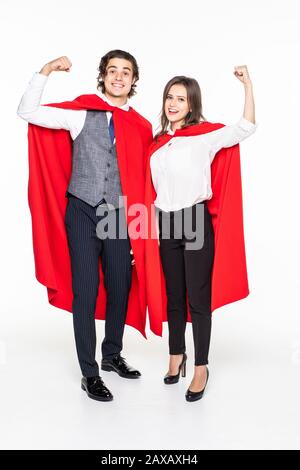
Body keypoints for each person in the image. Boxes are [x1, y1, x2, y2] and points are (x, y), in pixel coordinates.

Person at [17, 51, 153, 402]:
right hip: (82, 209)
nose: (119, 77)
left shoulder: (141, 126)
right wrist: (45, 69)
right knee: (87, 290)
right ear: (103, 76)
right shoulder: (81, 114)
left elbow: (143, 181)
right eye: (113, 71)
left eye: (126, 72)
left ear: (134, 80)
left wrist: (142, 234)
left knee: (121, 286)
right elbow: (27, 112)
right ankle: (89, 373)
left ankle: (111, 355)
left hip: (119, 216)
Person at [144, 65, 257, 402]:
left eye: (181, 98)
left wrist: (247, 85)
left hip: (194, 219)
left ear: (191, 105)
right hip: (165, 221)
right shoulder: (157, 143)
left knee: (197, 297)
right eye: (169, 97)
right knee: (173, 295)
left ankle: (201, 367)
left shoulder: (205, 135)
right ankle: (176, 355)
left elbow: (246, 127)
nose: (173, 103)